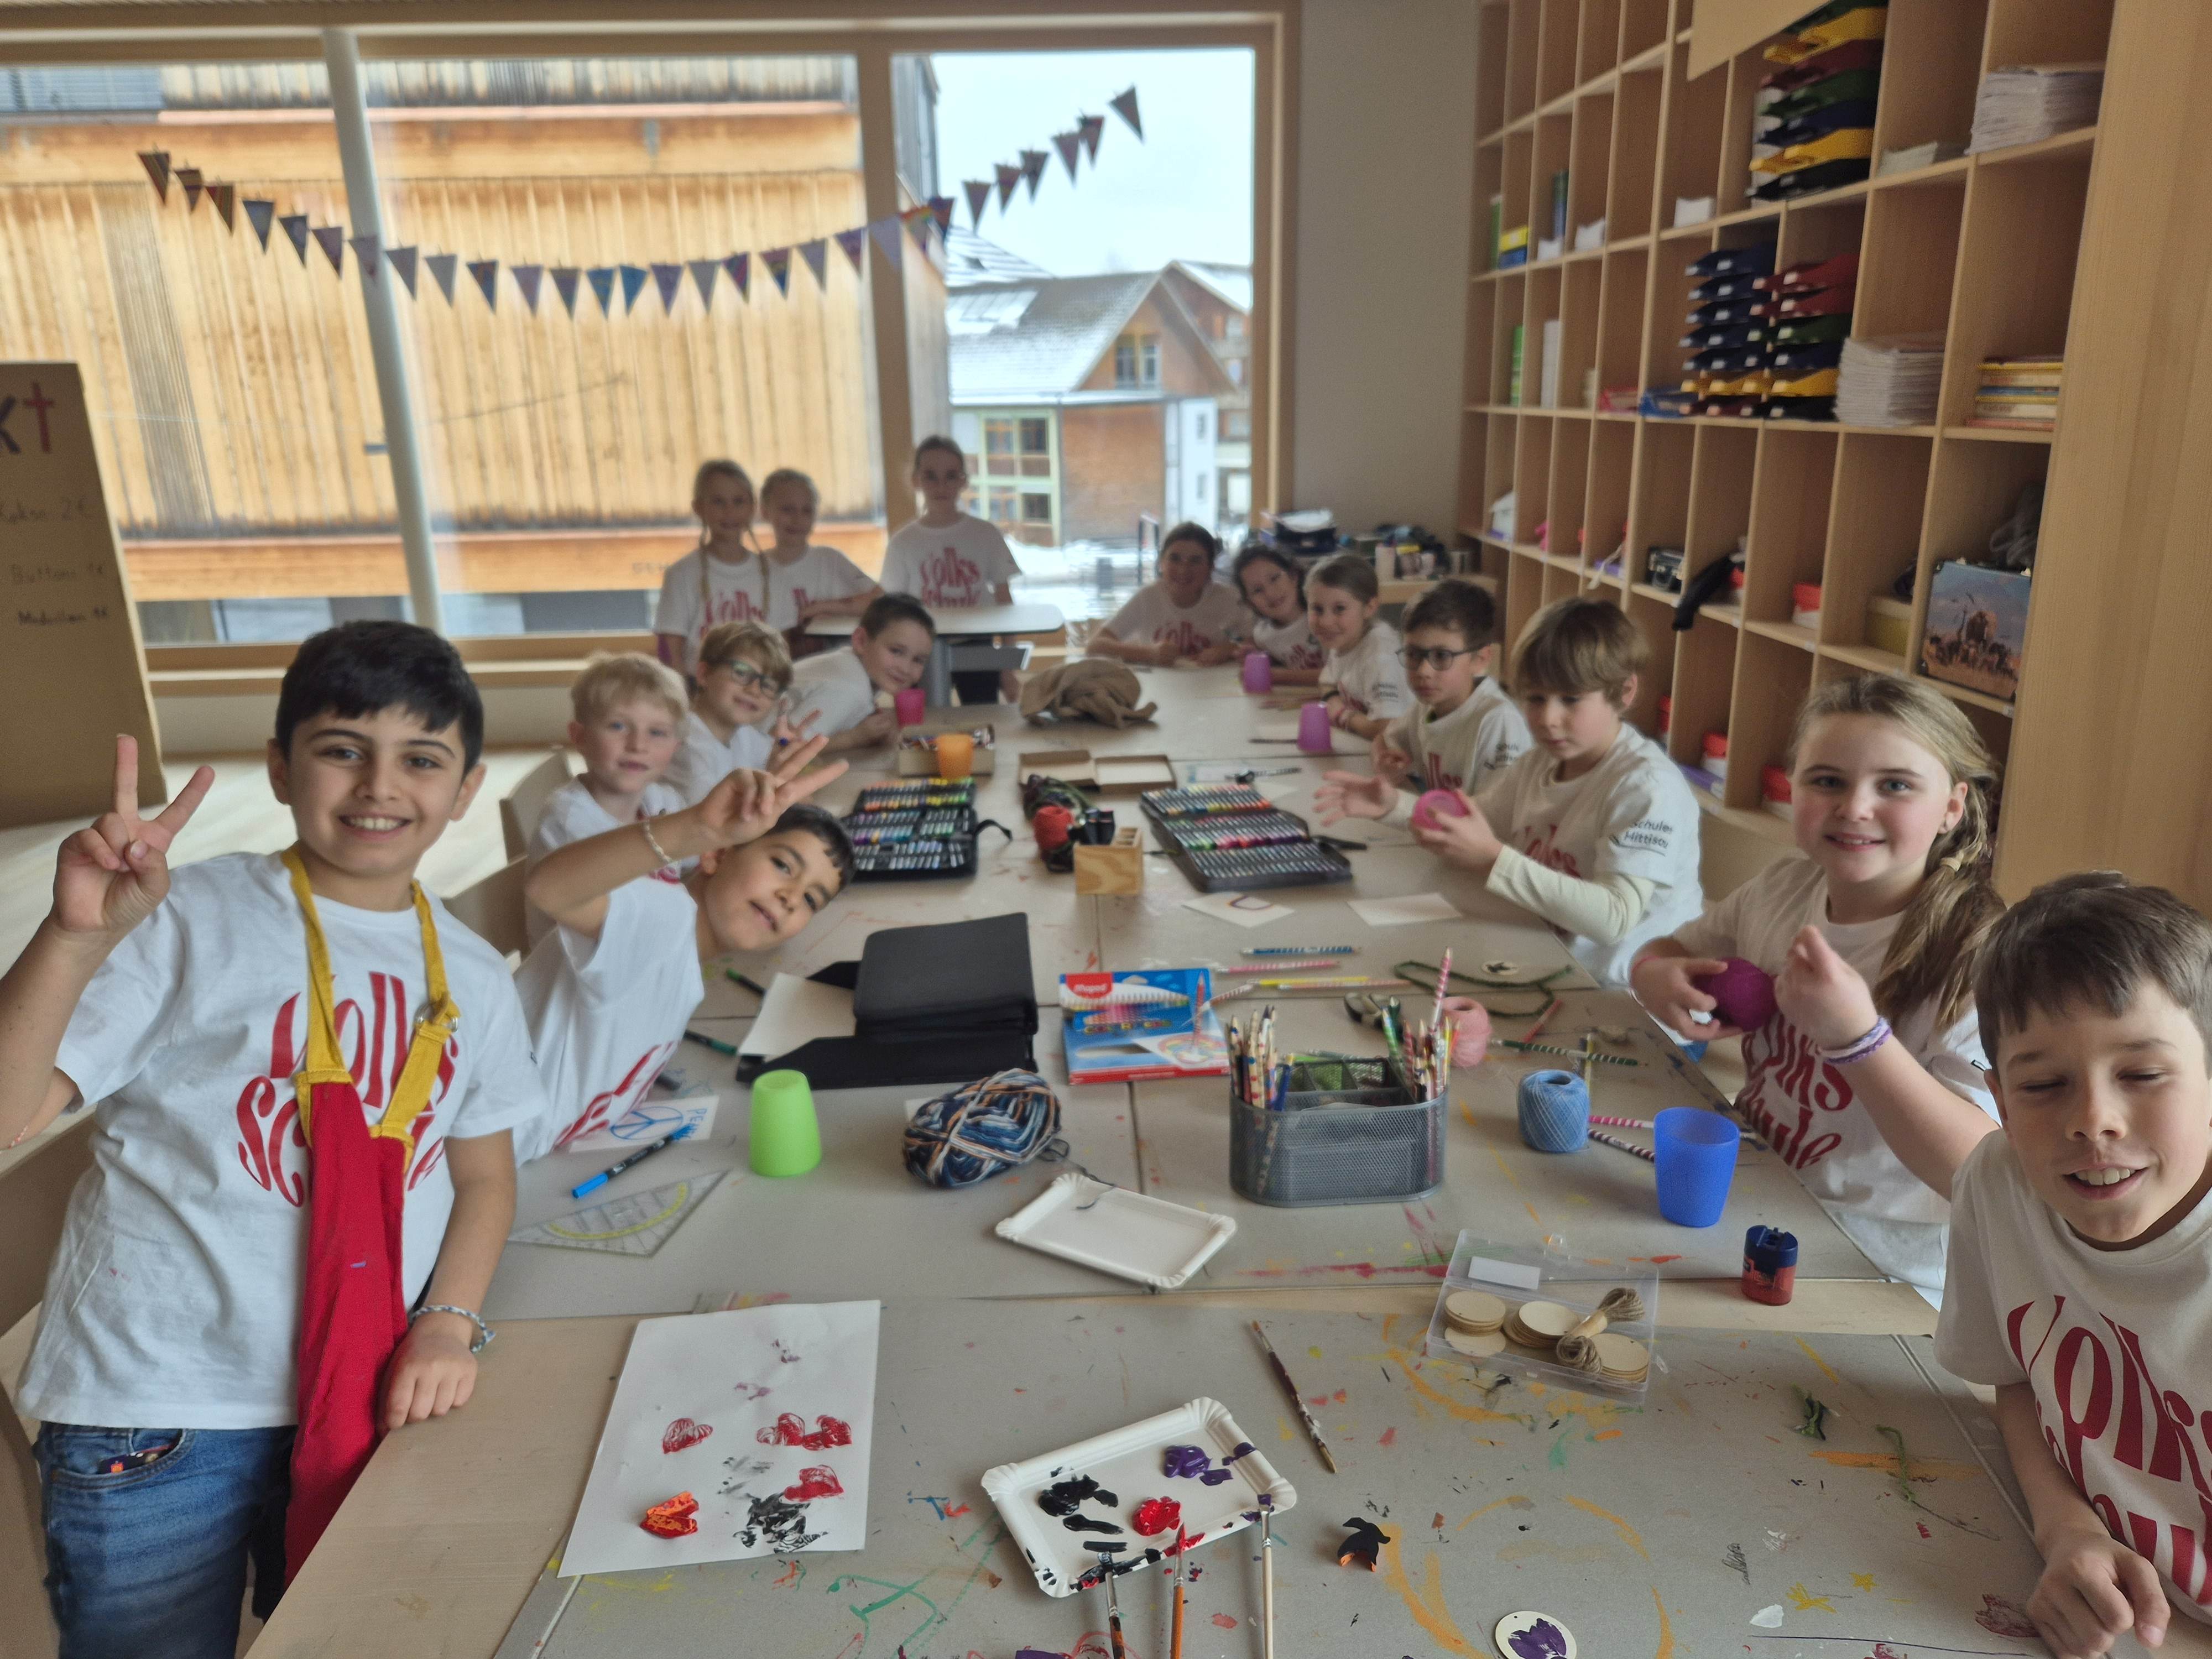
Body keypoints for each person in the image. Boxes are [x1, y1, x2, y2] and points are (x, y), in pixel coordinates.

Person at [0, 622, 548, 1656]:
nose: (379, 785)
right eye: (343, 748)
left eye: (421, 759)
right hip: (157, 1411)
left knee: (347, 1635)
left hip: (366, 1386)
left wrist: (448, 1321)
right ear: (281, 768)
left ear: (467, 789)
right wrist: (74, 939)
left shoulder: (471, 973)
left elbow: (483, 1173)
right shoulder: (186, 917)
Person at [1629, 672, 2005, 1294]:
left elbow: (1977, 1168)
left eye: (1895, 785)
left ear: (1952, 807)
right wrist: (1655, 977)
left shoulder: (1978, 955)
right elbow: (1664, 952)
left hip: (1877, 1269)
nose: (1854, 807)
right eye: (1827, 781)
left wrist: (1858, 1039)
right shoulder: (1783, 888)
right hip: (1755, 1195)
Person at [1938, 873, 2212, 1657]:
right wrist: (2066, 1528)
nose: (2093, 1121)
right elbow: (2017, 1377)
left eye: (2142, 1074)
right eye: (2043, 1085)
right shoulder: (1997, 1185)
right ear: (1998, 1099)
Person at [514, 740, 854, 1161]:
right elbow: (549, 890)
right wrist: (696, 828)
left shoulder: (681, 942)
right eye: (783, 865)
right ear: (717, 855)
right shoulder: (663, 919)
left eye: (811, 900)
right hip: (469, 1161)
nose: (790, 897)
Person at [1400, 597, 1700, 985]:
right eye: (1536, 698)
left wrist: (1493, 860)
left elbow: (1615, 919)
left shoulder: (1646, 787)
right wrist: (1389, 805)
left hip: (1623, 995)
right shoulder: (1541, 762)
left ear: (1624, 691)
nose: (1548, 719)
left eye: (1571, 699)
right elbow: (1464, 819)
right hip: (1551, 965)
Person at [1318, 579, 1528, 827]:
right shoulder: (1426, 706)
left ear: (1480, 659)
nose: (1423, 671)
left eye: (1442, 656)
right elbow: (1383, 740)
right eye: (1413, 654)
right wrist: (1384, 763)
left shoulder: (1498, 721)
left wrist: (1397, 804)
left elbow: (1494, 822)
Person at [879, 436, 1025, 704]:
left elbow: (1004, 600)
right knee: (927, 723)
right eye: (931, 476)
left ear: (963, 481)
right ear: (916, 480)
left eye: (951, 476)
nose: (941, 486)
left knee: (983, 718)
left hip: (978, 643)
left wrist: (1007, 667)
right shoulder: (903, 542)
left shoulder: (985, 534)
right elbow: (893, 611)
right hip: (922, 649)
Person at [664, 620, 813, 807]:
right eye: (742, 673)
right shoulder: (686, 747)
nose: (754, 690)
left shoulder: (744, 735)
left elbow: (802, 794)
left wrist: (787, 754)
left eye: (768, 685)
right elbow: (714, 821)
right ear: (704, 674)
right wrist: (775, 777)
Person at [782, 592, 936, 754]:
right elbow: (786, 747)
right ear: (861, 641)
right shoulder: (850, 688)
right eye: (896, 651)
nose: (905, 668)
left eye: (918, 660)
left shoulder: (855, 668)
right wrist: (854, 738)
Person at [1086, 522, 1246, 667]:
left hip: (1213, 685)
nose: (1183, 570)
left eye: (1195, 561)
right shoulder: (1148, 597)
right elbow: (1095, 646)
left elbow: (1256, 641)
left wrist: (1228, 650)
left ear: (1210, 568)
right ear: (1161, 563)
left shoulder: (1228, 598)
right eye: (1175, 559)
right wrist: (1149, 654)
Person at [1307, 554, 1411, 740]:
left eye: (1340, 609)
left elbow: (1387, 730)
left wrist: (1343, 715)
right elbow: (1326, 682)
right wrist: (1334, 702)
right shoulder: (1345, 639)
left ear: (1369, 608)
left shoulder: (1380, 656)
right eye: (1317, 609)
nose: (1326, 622)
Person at [1228, 540, 1324, 685]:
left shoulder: (1325, 617)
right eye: (1257, 590)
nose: (1270, 594)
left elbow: (1338, 674)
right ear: (1250, 603)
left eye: (1274, 578)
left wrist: (1275, 676)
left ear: (1293, 576)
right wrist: (1261, 659)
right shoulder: (1263, 636)